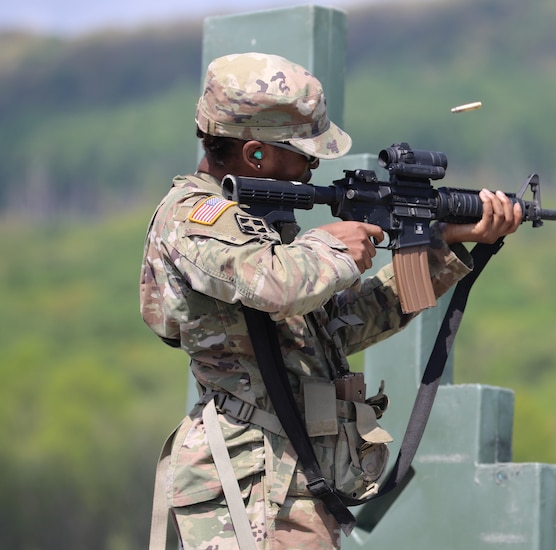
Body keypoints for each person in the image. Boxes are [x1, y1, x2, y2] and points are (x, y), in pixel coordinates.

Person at [141, 52, 521, 550]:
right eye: (302, 152)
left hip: (296, 481)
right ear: (256, 155)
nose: (313, 166)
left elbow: (339, 326)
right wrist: (334, 247)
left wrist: (440, 249)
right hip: (250, 488)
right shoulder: (195, 216)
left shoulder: (265, 224)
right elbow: (275, 285)